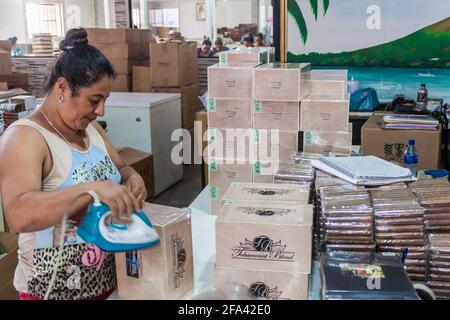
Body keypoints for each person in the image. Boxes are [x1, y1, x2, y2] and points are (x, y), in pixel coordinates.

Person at [0, 27, 147, 300]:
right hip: (54, 289)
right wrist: (92, 190)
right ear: (63, 87)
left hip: (105, 281)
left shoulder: (91, 129)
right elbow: (18, 214)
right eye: (94, 100)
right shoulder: (25, 137)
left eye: (105, 100)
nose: (101, 110)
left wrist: (133, 178)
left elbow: (122, 168)